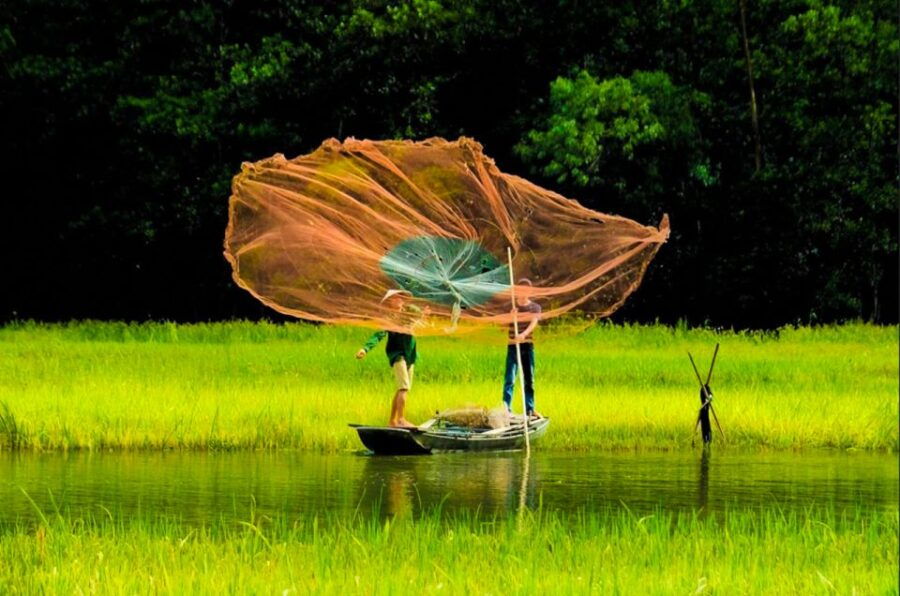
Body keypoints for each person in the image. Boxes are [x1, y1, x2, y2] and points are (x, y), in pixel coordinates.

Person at [356, 289, 422, 428]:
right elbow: (378, 335)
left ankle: (392, 421)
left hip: (410, 356)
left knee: (401, 389)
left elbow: (419, 315)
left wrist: (424, 314)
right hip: (398, 355)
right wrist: (365, 349)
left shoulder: (409, 314)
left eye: (400, 298)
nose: (399, 300)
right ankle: (401, 419)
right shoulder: (389, 319)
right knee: (404, 388)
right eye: (395, 298)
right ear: (389, 303)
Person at [502, 278, 542, 418]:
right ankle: (506, 408)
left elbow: (534, 322)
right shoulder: (511, 306)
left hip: (527, 346)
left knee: (529, 378)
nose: (522, 293)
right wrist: (510, 316)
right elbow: (502, 323)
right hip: (513, 346)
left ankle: (530, 409)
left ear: (529, 292)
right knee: (510, 378)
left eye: (525, 290)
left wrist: (524, 334)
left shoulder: (535, 307)